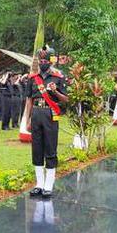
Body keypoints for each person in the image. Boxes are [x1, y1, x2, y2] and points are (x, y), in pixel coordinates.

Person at [25, 46, 68, 199]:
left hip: (50, 115)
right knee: (36, 149)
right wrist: (27, 120)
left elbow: (66, 99)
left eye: (45, 60)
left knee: (50, 148)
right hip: (36, 114)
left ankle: (48, 185)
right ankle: (39, 184)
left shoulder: (58, 77)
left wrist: (55, 91)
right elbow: (29, 101)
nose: (43, 62)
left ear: (50, 61)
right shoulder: (32, 79)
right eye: (40, 60)